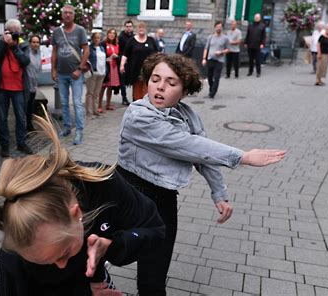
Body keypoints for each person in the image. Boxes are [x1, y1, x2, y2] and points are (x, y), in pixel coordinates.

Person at [118, 52, 286, 296]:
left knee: (154, 275)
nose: (160, 87)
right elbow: (186, 145)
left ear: (184, 90)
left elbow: (201, 154)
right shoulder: (138, 116)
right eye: (155, 79)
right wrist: (242, 156)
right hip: (129, 196)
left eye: (171, 83)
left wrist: (219, 193)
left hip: (163, 200)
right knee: (102, 255)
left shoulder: (187, 114)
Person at [0, 113, 165, 296]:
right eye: (44, 264)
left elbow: (155, 229)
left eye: (64, 253)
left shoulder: (101, 185)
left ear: (76, 213)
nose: (61, 265)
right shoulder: (13, 256)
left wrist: (113, 245)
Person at [0, 18, 33, 157]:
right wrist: (5, 43)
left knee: (21, 118)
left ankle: (21, 143)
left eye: (17, 32)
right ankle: (5, 146)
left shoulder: (23, 45)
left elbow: (25, 61)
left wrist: (14, 46)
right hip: (2, 88)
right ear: (6, 31)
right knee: (2, 118)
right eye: (12, 32)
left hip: (19, 88)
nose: (14, 34)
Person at [51, 5, 89, 145]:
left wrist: (79, 69)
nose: (67, 15)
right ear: (62, 15)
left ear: (73, 15)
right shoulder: (56, 32)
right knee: (64, 103)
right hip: (61, 74)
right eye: (65, 13)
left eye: (70, 13)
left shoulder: (80, 30)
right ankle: (67, 127)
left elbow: (86, 50)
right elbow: (54, 51)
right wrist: (53, 70)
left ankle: (79, 131)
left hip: (76, 74)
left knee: (77, 103)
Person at [120, 21, 158, 101]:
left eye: (143, 27)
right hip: (135, 70)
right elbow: (125, 54)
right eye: (139, 27)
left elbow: (157, 54)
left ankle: (147, 108)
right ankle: (137, 108)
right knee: (137, 93)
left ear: (146, 29)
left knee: (147, 91)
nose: (141, 29)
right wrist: (122, 65)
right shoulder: (132, 41)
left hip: (149, 70)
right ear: (137, 29)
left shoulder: (151, 40)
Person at [202, 20, 229, 99]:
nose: (218, 28)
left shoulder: (225, 38)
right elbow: (206, 48)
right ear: (215, 28)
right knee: (210, 77)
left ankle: (212, 94)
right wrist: (204, 58)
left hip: (219, 60)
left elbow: (228, 49)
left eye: (220, 27)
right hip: (210, 58)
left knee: (216, 77)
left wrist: (221, 52)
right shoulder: (210, 37)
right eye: (217, 27)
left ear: (222, 28)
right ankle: (211, 89)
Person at [85, 32, 107, 119]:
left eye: (98, 38)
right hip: (93, 73)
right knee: (90, 93)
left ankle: (95, 110)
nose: (97, 39)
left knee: (96, 93)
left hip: (102, 72)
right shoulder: (89, 49)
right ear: (92, 39)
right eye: (95, 38)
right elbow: (86, 59)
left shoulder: (102, 48)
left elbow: (103, 59)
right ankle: (89, 112)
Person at [98, 29, 120, 113]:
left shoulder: (116, 45)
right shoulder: (103, 44)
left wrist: (117, 57)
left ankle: (108, 104)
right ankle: (99, 105)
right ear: (107, 34)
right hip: (106, 67)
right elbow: (100, 56)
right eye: (110, 33)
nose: (112, 35)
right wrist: (108, 58)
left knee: (110, 86)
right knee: (103, 86)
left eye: (113, 33)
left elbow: (119, 55)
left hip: (114, 67)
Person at [25, 34, 42, 132]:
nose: (35, 44)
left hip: (34, 85)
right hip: (26, 85)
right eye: (33, 42)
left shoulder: (39, 54)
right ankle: (26, 126)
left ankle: (29, 125)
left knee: (30, 106)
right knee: (25, 106)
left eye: (37, 42)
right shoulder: (27, 54)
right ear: (30, 43)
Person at [117, 20, 134, 106]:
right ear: (124, 27)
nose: (128, 28)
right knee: (122, 80)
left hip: (132, 61)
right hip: (122, 60)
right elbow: (119, 50)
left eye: (130, 26)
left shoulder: (134, 37)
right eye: (127, 26)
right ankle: (124, 97)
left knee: (131, 80)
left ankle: (135, 97)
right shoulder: (121, 37)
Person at [244, 13, 266, 77]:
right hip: (250, 44)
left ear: (260, 18)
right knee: (250, 59)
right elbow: (247, 35)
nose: (256, 18)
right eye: (255, 17)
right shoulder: (250, 25)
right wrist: (245, 42)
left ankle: (258, 72)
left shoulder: (262, 26)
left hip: (258, 45)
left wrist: (262, 44)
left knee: (257, 60)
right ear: (254, 18)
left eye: (257, 17)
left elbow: (263, 36)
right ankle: (250, 71)